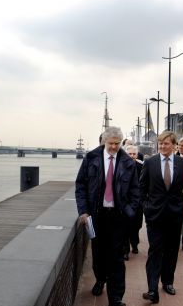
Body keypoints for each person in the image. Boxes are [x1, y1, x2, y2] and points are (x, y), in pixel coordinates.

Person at [75, 126, 140, 306]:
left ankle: (116, 297)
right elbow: (80, 185)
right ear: (104, 141)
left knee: (117, 258)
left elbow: (136, 191)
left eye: (117, 144)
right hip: (97, 215)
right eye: (110, 143)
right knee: (99, 253)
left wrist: (130, 211)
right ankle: (100, 279)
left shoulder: (128, 162)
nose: (113, 147)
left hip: (119, 217)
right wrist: (83, 211)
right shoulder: (91, 158)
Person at [140, 131, 183, 303]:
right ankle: (152, 289)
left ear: (174, 145)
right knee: (155, 251)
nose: (162, 146)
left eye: (166, 143)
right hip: (154, 216)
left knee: (171, 251)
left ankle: (168, 282)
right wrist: (146, 208)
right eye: (160, 143)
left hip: (175, 216)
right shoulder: (150, 163)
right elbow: (141, 189)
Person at [123, 144, 144, 261]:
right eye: (129, 154)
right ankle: (125, 250)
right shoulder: (121, 166)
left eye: (133, 154)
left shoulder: (142, 166)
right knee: (125, 226)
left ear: (137, 154)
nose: (131, 156)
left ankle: (134, 243)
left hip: (138, 201)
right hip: (125, 202)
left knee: (137, 225)